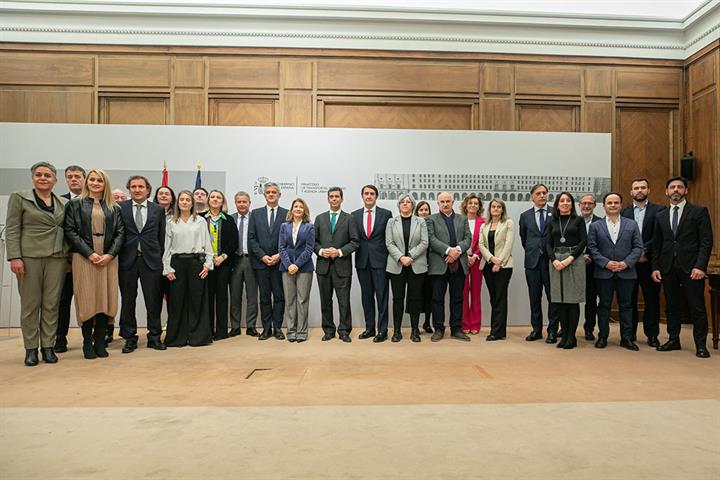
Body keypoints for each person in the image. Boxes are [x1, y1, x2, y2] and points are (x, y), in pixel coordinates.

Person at [6, 162, 69, 366]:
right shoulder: (20, 198)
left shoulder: (62, 202)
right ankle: (31, 349)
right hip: (29, 258)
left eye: (48, 175)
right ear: (33, 177)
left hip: (56, 258)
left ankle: (48, 347)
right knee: (30, 305)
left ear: (55, 180)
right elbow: (13, 228)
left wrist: (68, 258)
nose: (43, 178)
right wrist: (14, 256)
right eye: (39, 175)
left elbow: (67, 231)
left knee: (51, 304)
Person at [64, 169, 124, 359]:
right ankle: (86, 343)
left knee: (105, 299)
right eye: (92, 179)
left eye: (100, 180)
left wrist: (110, 254)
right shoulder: (75, 204)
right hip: (84, 257)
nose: (96, 183)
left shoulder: (114, 207)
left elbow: (120, 233)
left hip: (108, 259)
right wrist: (89, 253)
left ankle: (100, 341)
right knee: (87, 298)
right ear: (86, 182)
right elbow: (70, 231)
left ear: (105, 183)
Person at [651, 177, 714, 358]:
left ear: (685, 190)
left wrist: (701, 266)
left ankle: (701, 345)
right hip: (667, 267)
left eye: (679, 187)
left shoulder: (699, 212)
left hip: (692, 268)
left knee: (697, 307)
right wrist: (655, 267)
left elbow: (706, 241)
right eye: (672, 187)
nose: (676, 190)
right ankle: (673, 340)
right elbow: (657, 244)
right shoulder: (660, 215)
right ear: (667, 192)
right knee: (671, 306)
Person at [117, 175, 167, 354]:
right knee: (128, 300)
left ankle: (154, 337)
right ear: (129, 189)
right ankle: (129, 338)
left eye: (140, 186)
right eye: (133, 187)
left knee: (153, 301)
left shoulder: (157, 210)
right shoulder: (120, 208)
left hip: (151, 261)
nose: (137, 190)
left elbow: (161, 237)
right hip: (127, 260)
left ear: (148, 189)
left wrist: (159, 257)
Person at [588, 193, 643, 350]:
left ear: (621, 205)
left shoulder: (631, 224)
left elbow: (638, 247)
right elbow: (592, 248)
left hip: (626, 272)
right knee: (604, 306)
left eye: (616, 202)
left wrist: (626, 263)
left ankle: (626, 338)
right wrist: (606, 263)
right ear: (604, 206)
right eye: (609, 203)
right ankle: (602, 337)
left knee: (626, 306)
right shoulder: (595, 226)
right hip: (603, 273)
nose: (613, 205)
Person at [162, 190, 214, 347]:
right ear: (178, 203)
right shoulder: (171, 222)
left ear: (193, 203)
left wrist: (207, 264)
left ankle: (198, 337)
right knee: (177, 302)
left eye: (187, 200)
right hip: (177, 264)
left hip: (195, 263)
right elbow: (167, 247)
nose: (184, 202)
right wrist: (167, 268)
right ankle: (177, 338)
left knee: (197, 300)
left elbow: (207, 244)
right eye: (182, 199)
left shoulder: (200, 221)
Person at [620, 178, 663, 347]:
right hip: (629, 264)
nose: (639, 190)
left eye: (643, 187)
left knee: (651, 300)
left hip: (650, 263)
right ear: (631, 192)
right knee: (629, 300)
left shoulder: (659, 210)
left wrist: (644, 250)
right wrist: (635, 254)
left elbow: (660, 236)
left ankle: (652, 335)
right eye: (636, 188)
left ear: (648, 190)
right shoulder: (623, 212)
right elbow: (621, 237)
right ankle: (629, 334)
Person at [314, 187, 359, 342]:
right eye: (331, 196)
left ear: (341, 199)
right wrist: (321, 252)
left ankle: (344, 331)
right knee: (325, 301)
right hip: (323, 266)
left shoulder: (349, 218)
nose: (334, 199)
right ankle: (328, 330)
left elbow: (355, 242)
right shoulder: (320, 218)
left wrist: (339, 252)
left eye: (337, 196)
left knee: (344, 301)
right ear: (328, 199)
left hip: (342, 266)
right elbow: (314, 242)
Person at [426, 192, 472, 342]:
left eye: (448, 201)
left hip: (459, 264)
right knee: (437, 298)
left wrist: (456, 251)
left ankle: (456, 329)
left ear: (453, 202)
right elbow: (431, 239)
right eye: (442, 202)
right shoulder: (430, 219)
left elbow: (468, 239)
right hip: (439, 265)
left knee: (457, 298)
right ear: (438, 204)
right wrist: (448, 250)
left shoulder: (462, 219)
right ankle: (438, 329)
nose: (445, 204)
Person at [545, 192, 586, 350]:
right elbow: (548, 243)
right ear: (557, 204)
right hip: (556, 260)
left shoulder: (578, 220)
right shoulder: (552, 221)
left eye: (568, 200)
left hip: (573, 260)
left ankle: (571, 336)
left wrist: (570, 259)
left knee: (572, 299)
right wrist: (554, 259)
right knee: (560, 300)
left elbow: (583, 241)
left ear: (572, 204)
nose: (565, 203)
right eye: (562, 201)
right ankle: (565, 335)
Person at [248, 182, 288, 340]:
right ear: (264, 195)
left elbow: (290, 239)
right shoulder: (255, 214)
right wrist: (262, 256)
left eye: (274, 192)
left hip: (280, 262)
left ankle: (277, 327)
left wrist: (279, 255)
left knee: (279, 296)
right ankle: (266, 328)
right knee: (264, 297)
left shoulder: (287, 214)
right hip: (261, 263)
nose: (271, 194)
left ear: (279, 195)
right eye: (268, 192)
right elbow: (251, 239)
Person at [519, 183, 559, 343]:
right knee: (534, 298)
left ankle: (552, 330)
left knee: (552, 297)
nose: (542, 195)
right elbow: (524, 238)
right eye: (539, 193)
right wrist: (533, 249)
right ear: (532, 197)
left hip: (551, 262)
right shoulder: (525, 216)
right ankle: (536, 329)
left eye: (544, 193)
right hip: (532, 262)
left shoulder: (554, 213)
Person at [385, 194, 428, 342]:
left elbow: (424, 242)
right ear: (398, 205)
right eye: (402, 202)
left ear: (412, 205)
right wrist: (401, 257)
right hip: (397, 265)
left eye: (408, 202)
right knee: (398, 299)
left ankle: (415, 330)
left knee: (415, 299)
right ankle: (397, 331)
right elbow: (389, 243)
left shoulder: (420, 221)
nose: (405, 204)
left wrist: (410, 256)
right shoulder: (391, 221)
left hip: (416, 265)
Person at [352, 184, 392, 342]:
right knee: (366, 296)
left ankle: (382, 330)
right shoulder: (353, 215)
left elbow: (389, 238)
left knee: (382, 296)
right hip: (362, 262)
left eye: (372, 194)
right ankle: (369, 328)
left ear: (376, 196)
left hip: (381, 261)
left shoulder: (386, 214)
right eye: (366, 194)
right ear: (362, 196)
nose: (369, 196)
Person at [55, 164, 85, 353]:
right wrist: (67, 260)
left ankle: (92, 338)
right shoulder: (59, 202)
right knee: (63, 301)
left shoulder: (94, 201)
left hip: (90, 260)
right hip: (67, 262)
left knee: (90, 301)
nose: (73, 179)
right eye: (70, 176)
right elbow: (61, 233)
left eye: (77, 176)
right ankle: (60, 338)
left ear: (84, 179)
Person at [203, 189, 238, 340]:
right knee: (207, 297)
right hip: (205, 264)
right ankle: (208, 330)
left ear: (222, 201)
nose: (215, 200)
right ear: (208, 200)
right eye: (213, 197)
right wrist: (208, 259)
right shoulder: (201, 218)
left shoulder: (228, 219)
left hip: (223, 264)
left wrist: (223, 256)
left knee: (222, 297)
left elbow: (234, 241)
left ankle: (222, 331)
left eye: (219, 197)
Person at [279, 198, 315, 343]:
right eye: (296, 206)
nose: (298, 209)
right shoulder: (284, 226)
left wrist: (297, 265)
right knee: (290, 301)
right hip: (286, 268)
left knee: (302, 300)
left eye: (301, 207)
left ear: (304, 210)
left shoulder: (309, 227)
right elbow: (281, 248)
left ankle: (301, 331)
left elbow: (309, 248)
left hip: (304, 268)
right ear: (292, 210)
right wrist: (288, 265)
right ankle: (291, 331)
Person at [478, 198, 514, 341]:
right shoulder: (484, 226)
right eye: (493, 206)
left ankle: (496, 332)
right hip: (488, 265)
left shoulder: (508, 223)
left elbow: (508, 244)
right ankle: (500, 330)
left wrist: (499, 262)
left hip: (504, 266)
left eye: (499, 207)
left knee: (500, 298)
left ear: (502, 209)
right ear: (490, 209)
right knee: (494, 298)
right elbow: (481, 245)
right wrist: (492, 259)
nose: (496, 209)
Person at [229, 191, 259, 337]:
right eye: (239, 202)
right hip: (235, 260)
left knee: (252, 295)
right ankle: (235, 326)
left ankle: (251, 326)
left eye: (244, 202)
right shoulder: (230, 218)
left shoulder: (255, 218)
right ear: (235, 203)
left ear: (249, 203)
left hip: (252, 260)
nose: (242, 204)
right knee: (235, 295)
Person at [460, 193, 486, 335]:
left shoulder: (483, 222)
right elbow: (457, 240)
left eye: (476, 204)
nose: (473, 206)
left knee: (476, 293)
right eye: (470, 203)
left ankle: (475, 324)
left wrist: (475, 256)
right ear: (466, 205)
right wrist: (465, 256)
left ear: (479, 207)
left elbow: (484, 242)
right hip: (462, 259)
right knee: (463, 293)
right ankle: (464, 324)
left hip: (476, 261)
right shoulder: (459, 220)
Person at [579, 194, 602, 341]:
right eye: (584, 203)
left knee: (591, 300)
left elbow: (604, 244)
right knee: (569, 300)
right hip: (574, 265)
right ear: (579, 205)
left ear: (595, 205)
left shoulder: (601, 222)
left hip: (594, 266)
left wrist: (591, 257)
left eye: (590, 203)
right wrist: (579, 256)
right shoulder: (572, 221)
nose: (587, 206)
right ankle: (566, 327)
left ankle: (589, 328)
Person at [414, 200, 434, 334]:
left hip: (432, 264)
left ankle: (427, 322)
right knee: (416, 295)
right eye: (421, 210)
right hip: (416, 263)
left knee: (430, 295)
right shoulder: (413, 224)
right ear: (417, 212)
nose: (424, 212)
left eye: (426, 210)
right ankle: (414, 324)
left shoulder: (433, 224)